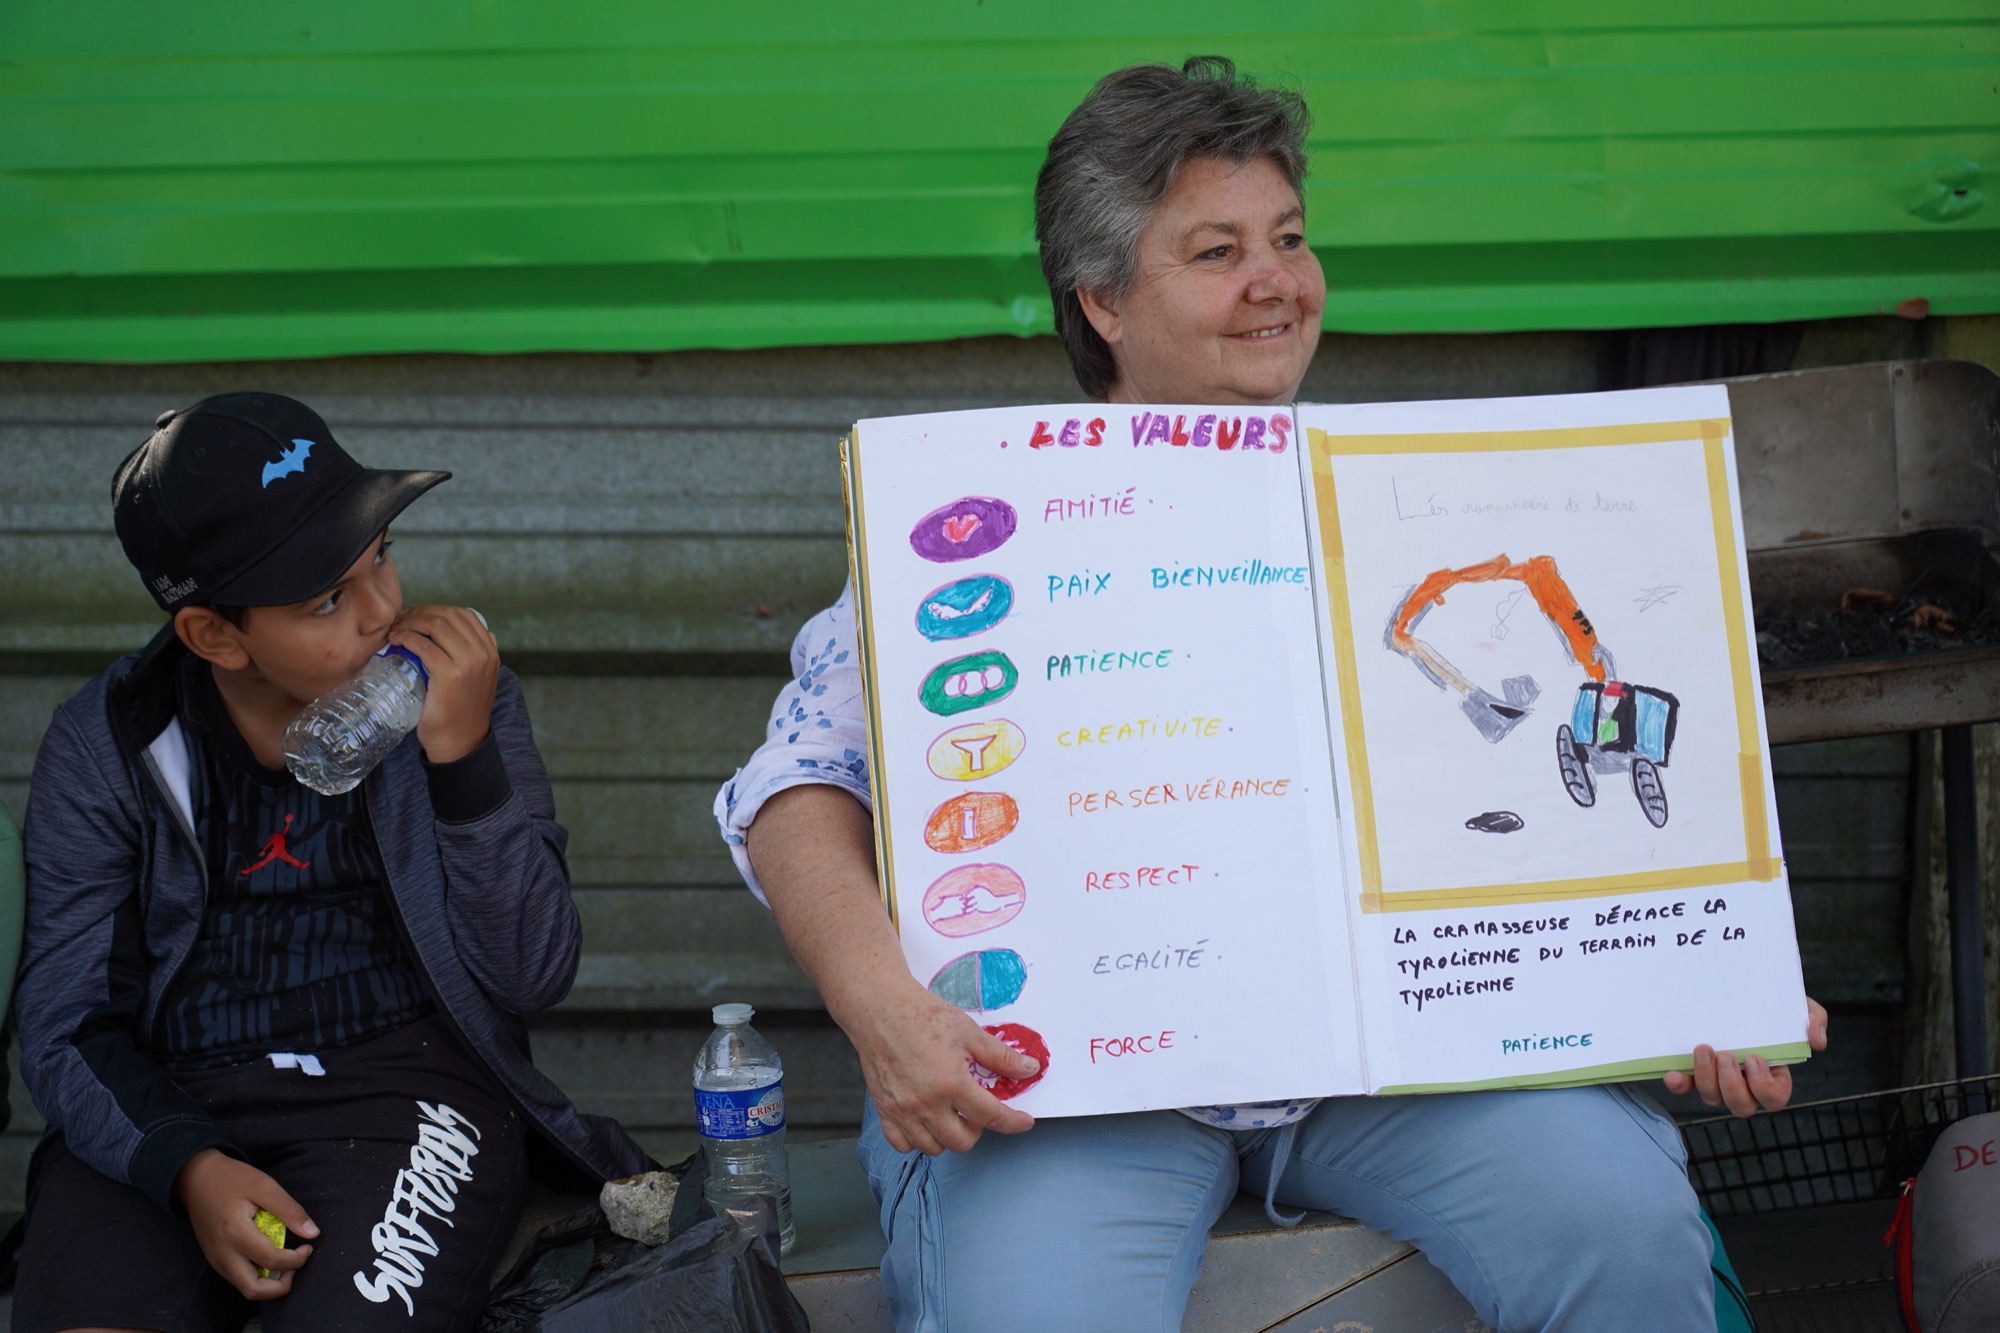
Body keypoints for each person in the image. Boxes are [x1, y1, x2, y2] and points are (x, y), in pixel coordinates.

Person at [716, 58, 1828, 1330]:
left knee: (1623, 1231)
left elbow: (1558, 799)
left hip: (1404, 1067)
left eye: (1288, 239)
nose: (1275, 281)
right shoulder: (981, 522)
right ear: (1102, 301)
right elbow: (796, 787)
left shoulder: (1413, 498)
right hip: (1071, 1091)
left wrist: (1698, 979)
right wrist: (883, 1010)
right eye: (1215, 251)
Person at [15, 392, 650, 1333]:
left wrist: (464, 762)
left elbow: (533, 972)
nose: (382, 610)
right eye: (325, 599)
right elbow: (64, 1022)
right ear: (216, 635)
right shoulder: (109, 745)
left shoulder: (459, 702)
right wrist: (188, 1166)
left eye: (381, 554)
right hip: (169, 1099)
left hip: (407, 1091)